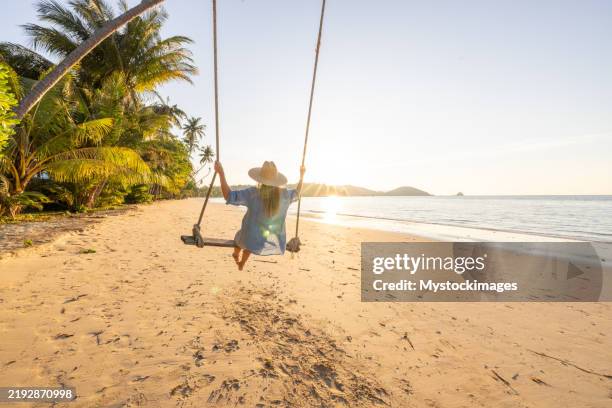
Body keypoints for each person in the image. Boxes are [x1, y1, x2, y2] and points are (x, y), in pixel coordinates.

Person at [214, 160, 305, 270]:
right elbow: (297, 192)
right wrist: (302, 176)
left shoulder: (253, 193)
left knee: (240, 239)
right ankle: (242, 262)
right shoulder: (284, 195)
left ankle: (236, 254)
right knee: (251, 244)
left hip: (248, 237)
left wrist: (221, 173)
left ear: (260, 178)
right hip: (264, 241)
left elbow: (228, 195)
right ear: (276, 180)